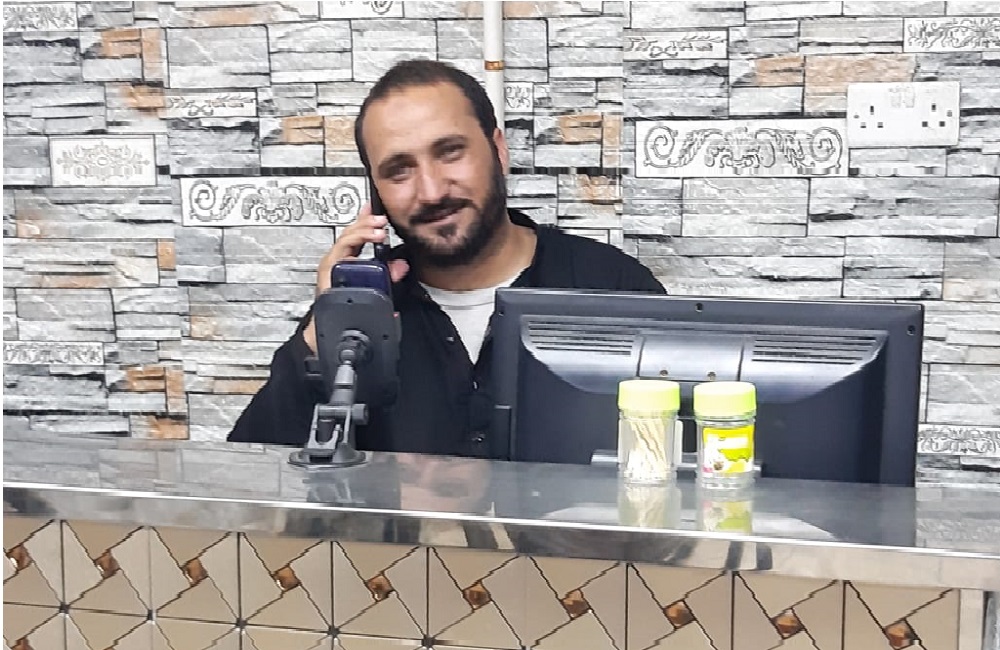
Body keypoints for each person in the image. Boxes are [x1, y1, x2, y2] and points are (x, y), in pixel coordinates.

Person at [228, 59, 665, 457]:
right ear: (375, 193)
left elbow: (684, 469)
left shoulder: (614, 286)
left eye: (450, 152)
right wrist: (321, 334)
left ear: (498, 150)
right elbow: (254, 474)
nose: (432, 191)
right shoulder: (360, 315)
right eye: (399, 170)